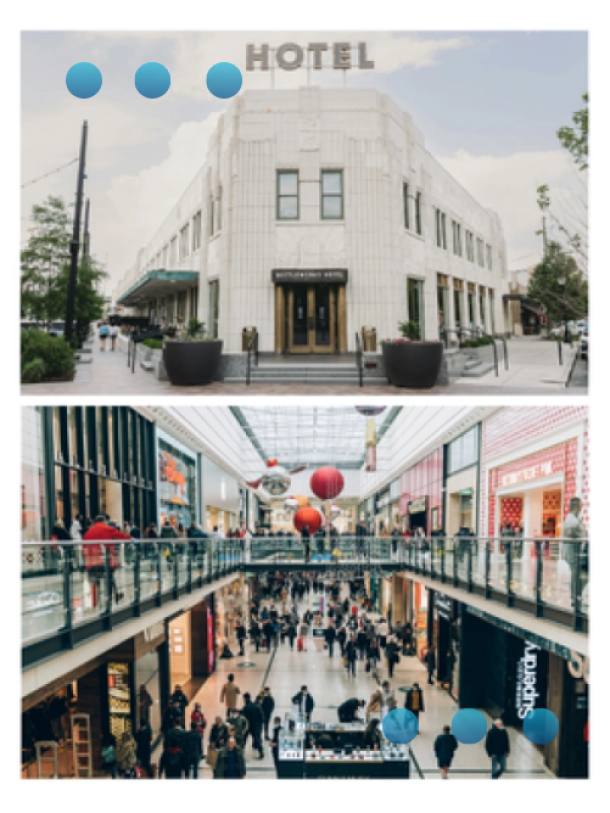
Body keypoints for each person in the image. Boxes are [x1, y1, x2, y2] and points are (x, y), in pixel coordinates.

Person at [82, 515, 130, 604]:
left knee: (94, 579)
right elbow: (121, 536)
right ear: (104, 521)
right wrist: (131, 539)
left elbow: (84, 548)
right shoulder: (108, 529)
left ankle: (95, 601)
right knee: (109, 577)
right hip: (105, 562)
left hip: (91, 564)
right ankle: (111, 597)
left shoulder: (88, 532)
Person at [241, 692, 265, 758]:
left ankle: (241, 752)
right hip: (256, 726)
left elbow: (243, 719)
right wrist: (259, 726)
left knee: (244, 739)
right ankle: (261, 752)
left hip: (248, 726)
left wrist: (243, 728)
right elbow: (262, 718)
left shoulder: (246, 707)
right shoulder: (257, 706)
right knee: (257, 739)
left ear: (245, 699)